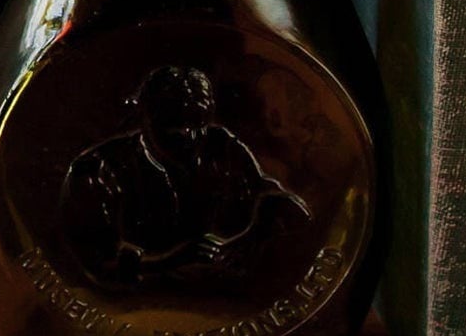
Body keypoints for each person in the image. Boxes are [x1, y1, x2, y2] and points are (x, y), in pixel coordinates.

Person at [61, 65, 307, 286]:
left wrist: (253, 236)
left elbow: (282, 202)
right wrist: (167, 261)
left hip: (226, 301)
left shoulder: (221, 146)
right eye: (172, 123)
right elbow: (95, 263)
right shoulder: (98, 169)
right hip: (138, 307)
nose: (187, 134)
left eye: (198, 122)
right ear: (144, 117)